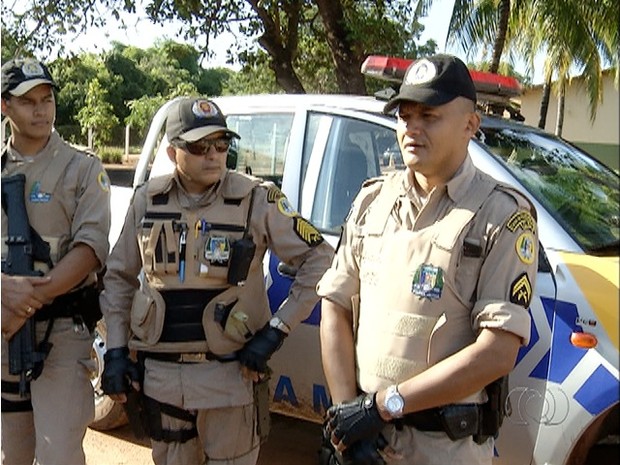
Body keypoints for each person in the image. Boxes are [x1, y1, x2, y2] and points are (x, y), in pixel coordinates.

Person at [317, 54, 538, 465]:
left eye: (429, 116)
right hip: (367, 441)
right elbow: (335, 305)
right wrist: (348, 417)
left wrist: (381, 406)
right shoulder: (372, 201)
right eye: (405, 116)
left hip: (442, 448)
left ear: (470, 125)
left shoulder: (502, 215)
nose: (411, 128)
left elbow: (497, 351)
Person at [99, 96, 333, 465]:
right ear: (173, 151)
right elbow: (118, 277)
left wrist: (277, 329)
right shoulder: (147, 202)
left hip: (230, 378)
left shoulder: (258, 199)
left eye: (221, 144)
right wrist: (114, 351)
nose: (213, 154)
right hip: (163, 379)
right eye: (199, 146)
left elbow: (319, 258)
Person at [1, 57, 111, 465]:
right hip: (3, 329)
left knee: (58, 453)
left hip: (62, 330)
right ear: (4, 106)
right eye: (28, 101)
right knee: (12, 452)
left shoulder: (81, 168)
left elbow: (90, 249)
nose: (41, 109)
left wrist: (28, 298)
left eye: (47, 99)